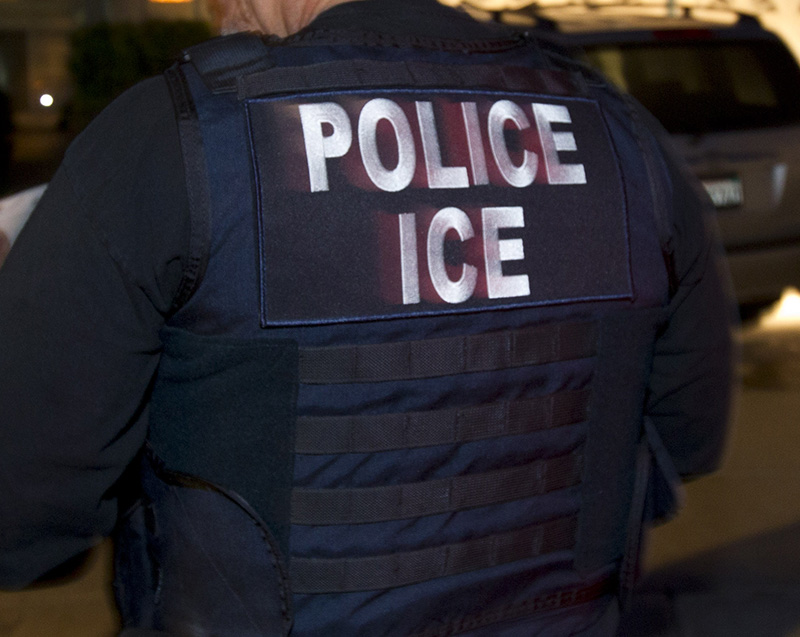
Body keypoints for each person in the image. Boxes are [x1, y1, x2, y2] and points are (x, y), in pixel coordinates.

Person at [0, 0, 736, 635]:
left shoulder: (176, 136)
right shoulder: (621, 131)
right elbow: (688, 438)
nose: (221, 12)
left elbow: (22, 514)